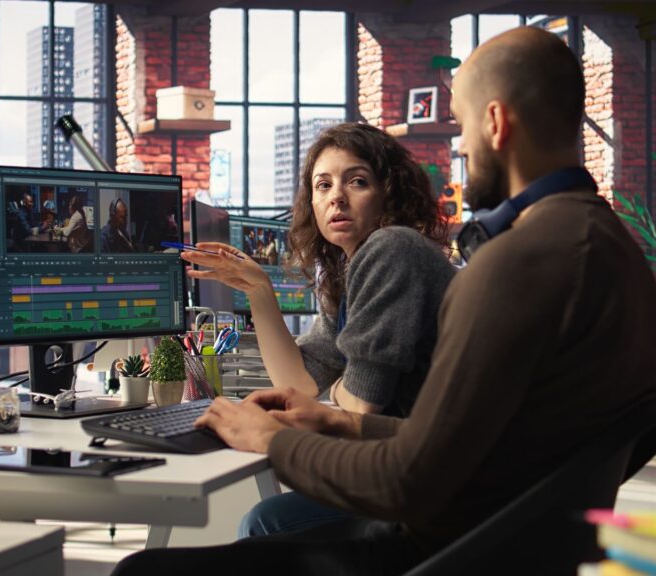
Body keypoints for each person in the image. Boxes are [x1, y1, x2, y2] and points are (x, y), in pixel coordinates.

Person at [112, 27, 656, 576]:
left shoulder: (519, 263)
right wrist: (337, 426)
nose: (461, 147)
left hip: (438, 547)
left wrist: (274, 441)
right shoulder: (607, 251)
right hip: (506, 540)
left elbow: (409, 478)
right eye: (322, 186)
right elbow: (463, 443)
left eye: (462, 125)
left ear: (496, 123)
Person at [181, 121, 456, 537]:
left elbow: (361, 405)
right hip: (407, 464)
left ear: (389, 193)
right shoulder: (348, 271)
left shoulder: (392, 248)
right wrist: (259, 291)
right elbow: (303, 383)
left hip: (436, 481)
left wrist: (341, 389)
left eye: (357, 182)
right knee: (269, 517)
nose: (336, 198)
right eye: (322, 186)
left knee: (267, 522)